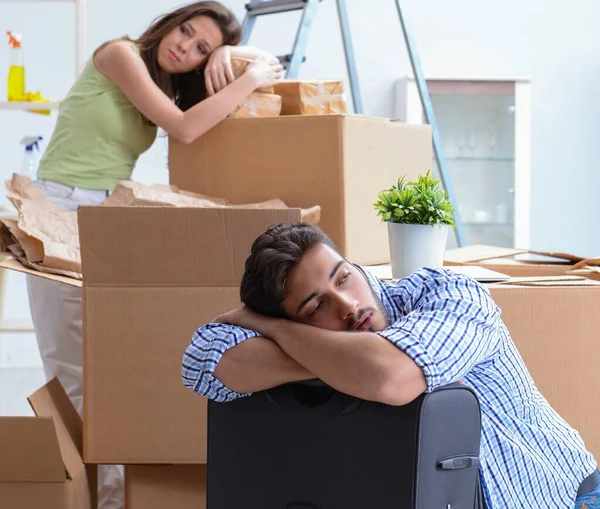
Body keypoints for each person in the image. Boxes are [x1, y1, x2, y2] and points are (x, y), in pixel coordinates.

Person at [26, 3, 283, 508]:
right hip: (56, 210)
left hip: (103, 217)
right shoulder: (120, 54)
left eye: (201, 49)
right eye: (186, 31)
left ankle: (114, 495)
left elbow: (272, 64)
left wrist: (231, 53)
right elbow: (185, 129)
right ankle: (91, 495)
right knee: (69, 364)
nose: (184, 48)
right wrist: (245, 77)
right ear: (170, 22)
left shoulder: (168, 83)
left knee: (109, 364)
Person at [182, 222, 600, 509]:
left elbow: (390, 377)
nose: (347, 305)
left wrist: (274, 330)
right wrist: (335, 359)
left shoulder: (452, 295)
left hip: (563, 497)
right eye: (316, 306)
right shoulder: (318, 338)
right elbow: (203, 362)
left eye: (343, 277)